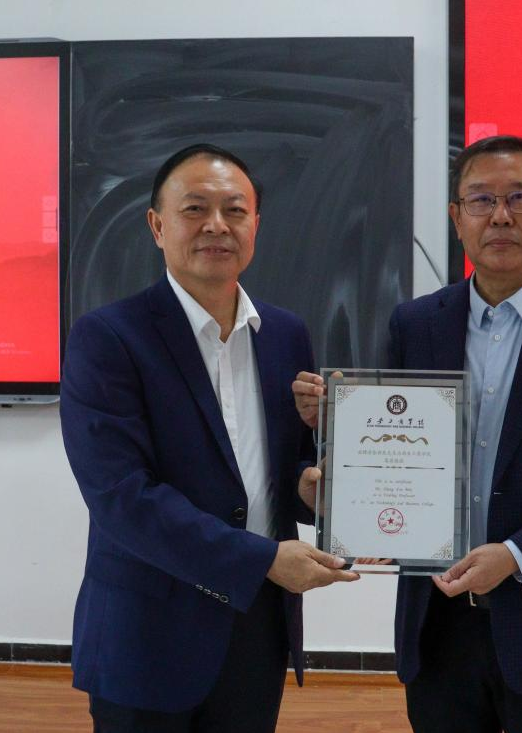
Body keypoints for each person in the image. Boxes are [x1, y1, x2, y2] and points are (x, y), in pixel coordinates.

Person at [294, 134, 522, 733]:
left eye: (520, 198)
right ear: (457, 217)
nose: (501, 216)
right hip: (438, 626)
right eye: (482, 200)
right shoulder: (416, 323)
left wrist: (516, 556)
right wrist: (335, 442)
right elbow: (395, 453)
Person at [62, 143, 358, 733]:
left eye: (234, 210)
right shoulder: (108, 338)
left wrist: (311, 487)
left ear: (256, 225)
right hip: (148, 632)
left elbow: (281, 469)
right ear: (157, 226)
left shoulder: (285, 334)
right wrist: (262, 559)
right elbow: (122, 497)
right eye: (195, 208)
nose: (217, 225)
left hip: (258, 628)